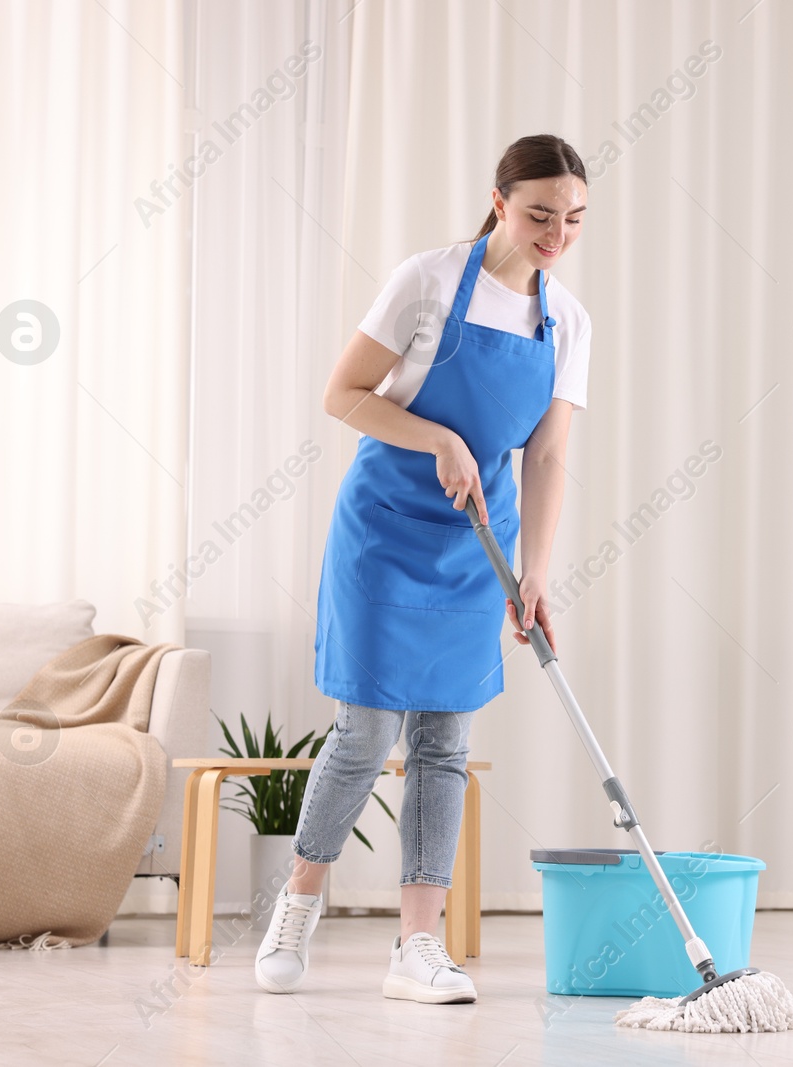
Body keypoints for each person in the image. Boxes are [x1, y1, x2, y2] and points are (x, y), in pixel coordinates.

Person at [255, 134, 591, 1004]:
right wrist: (438, 436)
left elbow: (549, 456)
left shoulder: (569, 321)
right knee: (365, 732)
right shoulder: (430, 280)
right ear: (500, 199)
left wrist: (537, 573)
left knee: (445, 742)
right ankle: (297, 904)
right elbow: (344, 394)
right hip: (386, 529)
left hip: (476, 543)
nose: (557, 232)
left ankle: (416, 947)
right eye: (540, 213)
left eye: (575, 218)